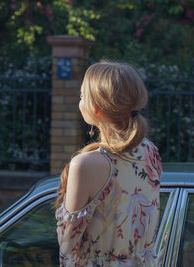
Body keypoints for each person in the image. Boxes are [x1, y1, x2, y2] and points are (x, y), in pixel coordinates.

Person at [54, 61, 162, 266]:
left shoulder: (85, 165)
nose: (80, 102)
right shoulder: (150, 151)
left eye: (82, 96)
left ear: (96, 108)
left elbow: (67, 248)